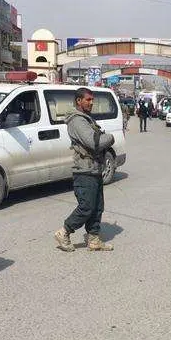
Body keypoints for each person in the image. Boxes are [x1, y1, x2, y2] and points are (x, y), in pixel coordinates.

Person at [55, 88, 115, 252]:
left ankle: (94, 239)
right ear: (78, 101)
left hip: (94, 169)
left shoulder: (87, 119)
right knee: (86, 207)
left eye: (92, 100)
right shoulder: (77, 121)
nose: (91, 102)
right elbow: (93, 142)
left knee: (97, 206)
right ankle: (64, 232)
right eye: (88, 100)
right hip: (84, 171)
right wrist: (110, 137)